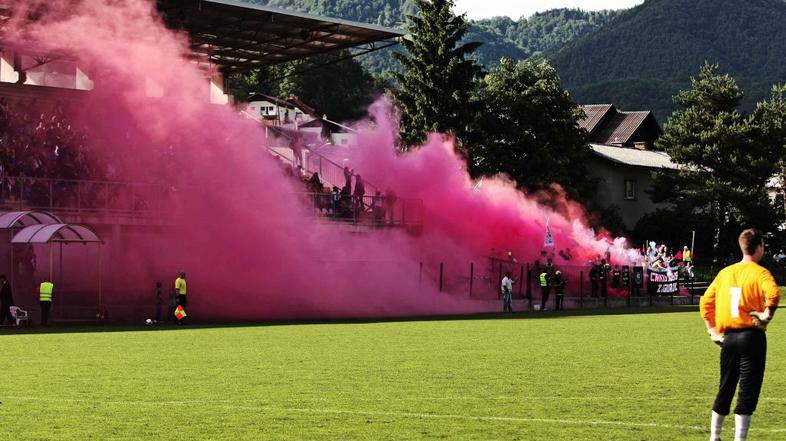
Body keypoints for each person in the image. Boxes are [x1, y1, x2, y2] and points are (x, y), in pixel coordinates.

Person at [700, 229, 780, 441]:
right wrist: (766, 315)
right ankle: (739, 439)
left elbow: (705, 302)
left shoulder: (725, 273)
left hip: (728, 338)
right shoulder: (760, 273)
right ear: (760, 246)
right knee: (747, 390)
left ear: (741, 246)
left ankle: (715, 436)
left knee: (725, 387)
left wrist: (712, 330)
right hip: (751, 336)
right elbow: (773, 293)